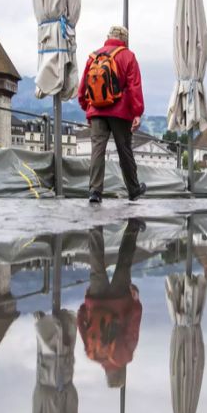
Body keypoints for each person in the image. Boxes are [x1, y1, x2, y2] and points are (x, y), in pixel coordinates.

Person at [78, 26, 146, 204]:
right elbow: (134, 87)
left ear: (108, 37)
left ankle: (95, 191)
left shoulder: (93, 57)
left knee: (97, 150)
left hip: (96, 111)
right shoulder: (128, 56)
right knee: (124, 149)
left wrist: (87, 107)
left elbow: (83, 87)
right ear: (124, 39)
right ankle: (133, 190)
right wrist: (137, 112)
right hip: (120, 111)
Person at [78, 219, 144, 388]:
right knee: (96, 264)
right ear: (106, 373)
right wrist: (86, 306)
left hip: (119, 300)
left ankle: (133, 226)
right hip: (96, 301)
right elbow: (81, 324)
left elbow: (133, 324)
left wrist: (135, 302)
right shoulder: (92, 354)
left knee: (124, 263)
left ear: (122, 372)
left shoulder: (125, 356)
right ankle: (94, 227)